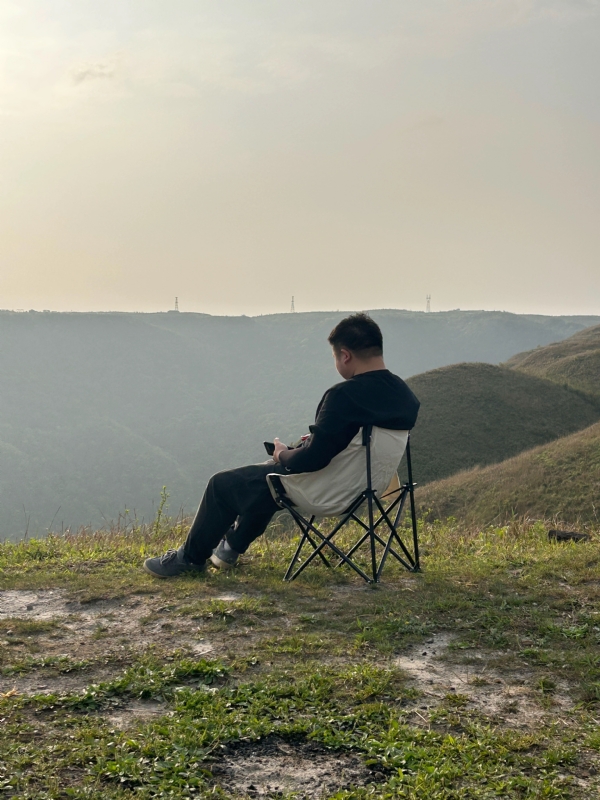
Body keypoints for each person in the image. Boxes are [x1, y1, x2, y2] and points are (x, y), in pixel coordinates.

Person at [144, 313, 420, 578]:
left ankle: (189, 559)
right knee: (263, 477)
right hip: (365, 489)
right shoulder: (405, 396)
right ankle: (229, 549)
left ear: (345, 355)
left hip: (326, 490)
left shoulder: (344, 395)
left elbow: (311, 460)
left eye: (336, 357)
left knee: (223, 485)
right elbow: (349, 444)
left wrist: (283, 453)